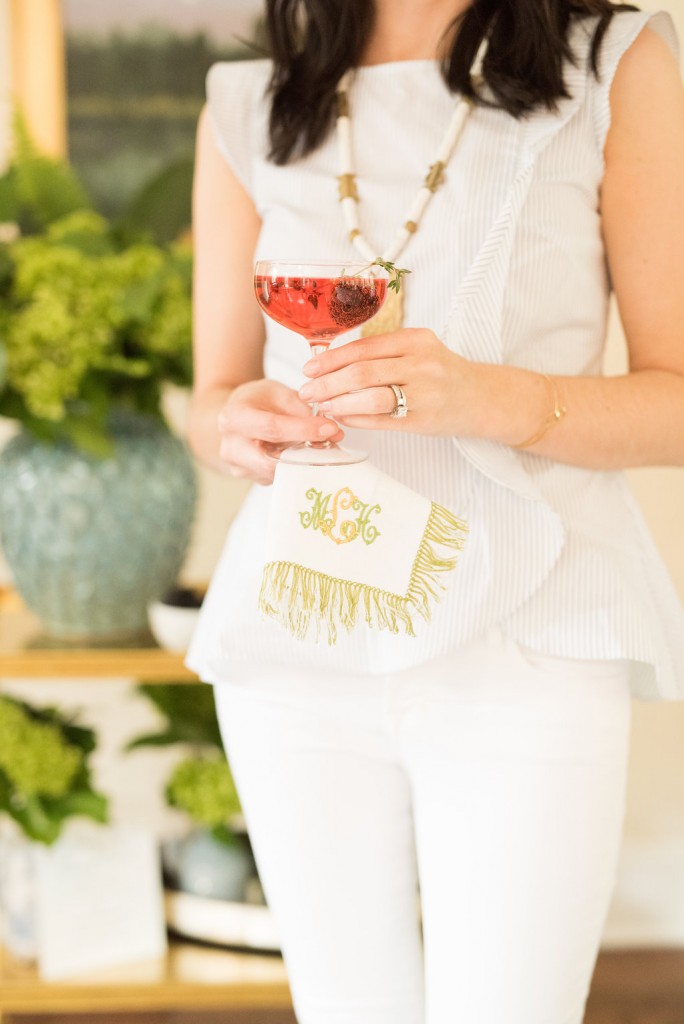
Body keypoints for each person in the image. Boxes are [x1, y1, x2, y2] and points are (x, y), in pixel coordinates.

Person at [186, 1, 684, 1021]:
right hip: (299, 635)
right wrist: (233, 426)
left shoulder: (613, 64)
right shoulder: (253, 98)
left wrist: (499, 400)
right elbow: (214, 391)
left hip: (530, 631)